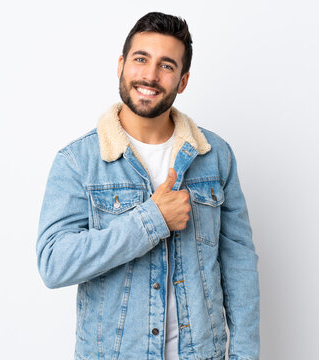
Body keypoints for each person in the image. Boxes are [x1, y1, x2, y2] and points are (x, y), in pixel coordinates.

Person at [36, 12, 260, 360]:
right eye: (141, 59)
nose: (150, 76)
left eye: (166, 66)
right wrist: (151, 219)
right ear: (122, 65)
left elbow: (239, 267)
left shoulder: (215, 157)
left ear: (182, 81)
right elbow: (53, 264)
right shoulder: (78, 161)